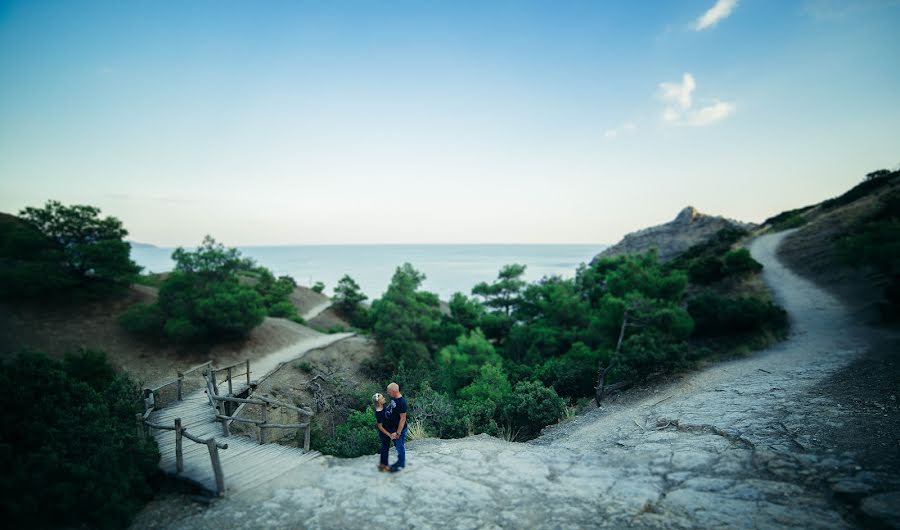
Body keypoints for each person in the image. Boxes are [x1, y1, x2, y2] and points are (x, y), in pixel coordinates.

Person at [384, 382, 408, 472]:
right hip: (393, 428)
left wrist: (398, 433)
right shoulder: (393, 398)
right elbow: (392, 407)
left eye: (389, 391)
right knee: (397, 446)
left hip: (399, 430)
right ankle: (399, 462)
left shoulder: (402, 402)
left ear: (394, 391)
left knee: (400, 446)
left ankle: (401, 465)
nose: (388, 393)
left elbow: (402, 419)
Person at [372, 393, 392, 472]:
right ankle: (383, 466)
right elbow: (380, 427)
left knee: (385, 448)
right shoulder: (378, 413)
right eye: (382, 398)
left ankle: (382, 464)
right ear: (379, 402)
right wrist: (389, 434)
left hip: (388, 430)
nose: (384, 398)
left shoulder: (383, 407)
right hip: (384, 433)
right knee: (385, 448)